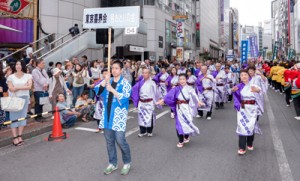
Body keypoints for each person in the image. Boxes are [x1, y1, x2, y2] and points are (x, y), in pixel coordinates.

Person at [97, 60, 132, 175]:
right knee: (109, 141)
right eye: (112, 68)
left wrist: (112, 90)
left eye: (116, 68)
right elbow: (98, 92)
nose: (114, 70)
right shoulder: (108, 81)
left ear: (121, 70)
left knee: (121, 141)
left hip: (118, 117)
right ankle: (113, 163)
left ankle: (127, 162)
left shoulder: (125, 83)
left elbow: (125, 97)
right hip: (107, 116)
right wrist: (104, 82)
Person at [156, 73, 204, 148]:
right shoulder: (176, 88)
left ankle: (186, 136)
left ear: (186, 79)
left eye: (183, 79)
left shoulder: (190, 88)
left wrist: (198, 101)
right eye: (180, 79)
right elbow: (169, 95)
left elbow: (194, 95)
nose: (181, 81)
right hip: (179, 108)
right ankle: (180, 140)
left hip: (187, 108)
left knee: (188, 122)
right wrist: (163, 100)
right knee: (179, 124)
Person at [232, 70, 262, 155]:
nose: (244, 76)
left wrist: (257, 90)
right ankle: (241, 147)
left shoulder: (253, 85)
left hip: (252, 109)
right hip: (242, 109)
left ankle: (250, 143)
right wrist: (233, 91)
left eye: (245, 75)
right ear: (240, 77)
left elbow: (260, 92)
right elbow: (234, 95)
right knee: (242, 126)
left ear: (249, 76)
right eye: (242, 75)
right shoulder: (238, 86)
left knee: (251, 126)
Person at [7, 60, 33, 146]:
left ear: (23, 66)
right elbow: (11, 89)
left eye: (20, 64)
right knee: (14, 118)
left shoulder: (28, 76)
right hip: (14, 99)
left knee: (22, 117)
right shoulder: (10, 77)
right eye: (17, 64)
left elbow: (29, 87)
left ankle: (20, 136)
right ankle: (14, 138)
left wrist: (17, 87)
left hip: (24, 98)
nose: (18, 66)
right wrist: (23, 86)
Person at [131, 68, 162, 137]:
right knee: (141, 117)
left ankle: (149, 131)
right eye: (143, 73)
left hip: (149, 102)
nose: (144, 74)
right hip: (141, 102)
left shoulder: (152, 83)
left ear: (149, 74)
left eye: (146, 73)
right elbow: (133, 90)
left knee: (150, 117)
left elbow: (156, 92)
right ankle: (142, 131)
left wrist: (159, 100)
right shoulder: (140, 83)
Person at [93, 68, 108, 133]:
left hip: (108, 101)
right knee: (98, 113)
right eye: (104, 73)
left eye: (107, 73)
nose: (106, 74)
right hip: (100, 101)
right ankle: (99, 126)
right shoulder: (99, 82)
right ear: (102, 74)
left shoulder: (112, 81)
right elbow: (96, 90)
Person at [0, 62, 8, 129]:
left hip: (1, 98)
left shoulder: (2, 77)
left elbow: (5, 89)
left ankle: (1, 124)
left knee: (2, 113)